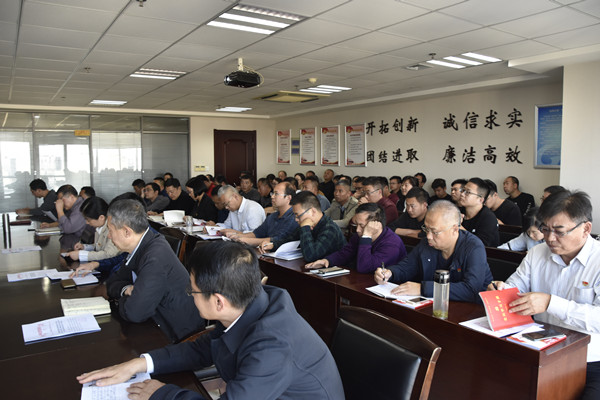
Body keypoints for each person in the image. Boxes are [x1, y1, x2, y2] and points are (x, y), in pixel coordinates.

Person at [77, 241, 344, 399]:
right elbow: (205, 347)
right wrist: (140, 363)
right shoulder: (252, 301)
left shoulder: (273, 345)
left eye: (192, 291)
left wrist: (160, 393)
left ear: (218, 302)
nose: (190, 295)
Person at [488, 191, 600, 399]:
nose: (549, 238)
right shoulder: (537, 254)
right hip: (539, 351)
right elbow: (515, 287)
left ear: (586, 229)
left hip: (591, 360)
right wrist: (501, 291)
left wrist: (551, 303)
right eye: (545, 229)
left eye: (559, 231)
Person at [104, 199, 205, 342]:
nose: (108, 236)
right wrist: (127, 290)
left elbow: (135, 312)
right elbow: (112, 282)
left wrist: (126, 299)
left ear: (127, 231)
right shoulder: (141, 245)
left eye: (110, 230)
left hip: (177, 336)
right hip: (156, 321)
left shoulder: (155, 256)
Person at [375, 200, 493, 302]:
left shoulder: (473, 247)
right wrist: (390, 273)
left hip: (470, 309)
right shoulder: (427, 243)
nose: (429, 236)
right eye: (426, 229)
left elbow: (471, 289)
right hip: (435, 305)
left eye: (435, 232)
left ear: (454, 229)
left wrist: (422, 288)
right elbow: (407, 266)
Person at [308, 203, 406, 274]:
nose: (358, 230)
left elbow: (365, 267)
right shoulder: (359, 236)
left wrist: (366, 236)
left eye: (362, 225)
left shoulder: (392, 243)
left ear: (376, 224)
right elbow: (346, 253)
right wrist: (327, 261)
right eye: (356, 225)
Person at [260, 191, 345, 262]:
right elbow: (288, 239)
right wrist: (272, 245)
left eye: (298, 215)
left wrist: (305, 228)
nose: (296, 219)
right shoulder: (308, 223)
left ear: (312, 211)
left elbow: (310, 256)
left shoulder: (329, 228)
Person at [226, 182, 298, 246]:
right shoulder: (272, 216)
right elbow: (256, 234)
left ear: (288, 198)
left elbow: (277, 240)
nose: (272, 196)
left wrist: (246, 240)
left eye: (276, 194)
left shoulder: (294, 217)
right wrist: (238, 236)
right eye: (272, 193)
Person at [64, 196, 120, 262]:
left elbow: (108, 254)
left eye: (88, 220)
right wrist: (84, 247)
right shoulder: (99, 226)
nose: (87, 222)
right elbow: (99, 246)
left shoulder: (113, 229)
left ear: (101, 217)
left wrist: (81, 255)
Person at [460, 178, 499, 247]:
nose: (462, 194)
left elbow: (480, 245)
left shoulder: (489, 218)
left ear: (481, 200)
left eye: (468, 192)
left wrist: (458, 227)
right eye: (463, 190)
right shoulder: (458, 211)